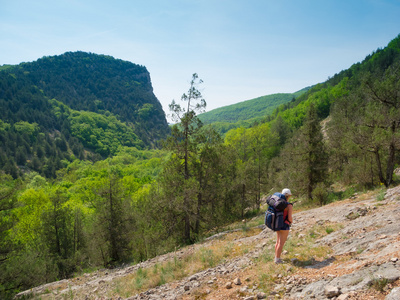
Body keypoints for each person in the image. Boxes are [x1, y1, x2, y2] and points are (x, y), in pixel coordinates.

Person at [274, 188, 293, 264]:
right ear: (288, 196)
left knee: (278, 242)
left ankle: (276, 257)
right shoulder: (289, 205)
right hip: (285, 225)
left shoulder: (277, 204)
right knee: (281, 243)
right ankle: (277, 260)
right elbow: (289, 218)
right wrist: (291, 222)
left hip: (278, 224)